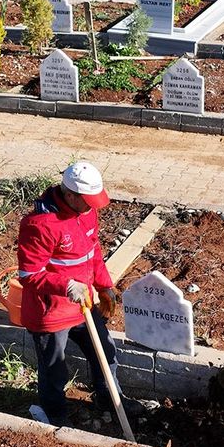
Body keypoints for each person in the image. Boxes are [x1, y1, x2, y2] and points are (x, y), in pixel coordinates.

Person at [16, 161, 148, 428]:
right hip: (51, 311)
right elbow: (29, 275)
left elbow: (92, 253)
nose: (92, 206)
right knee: (54, 369)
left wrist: (104, 286)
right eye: (87, 200)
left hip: (83, 304)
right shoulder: (39, 225)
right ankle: (55, 416)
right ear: (69, 194)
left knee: (105, 353)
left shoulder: (86, 213)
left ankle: (110, 400)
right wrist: (66, 285)